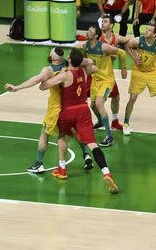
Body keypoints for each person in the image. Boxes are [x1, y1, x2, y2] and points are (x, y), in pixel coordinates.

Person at [39, 48, 119, 194]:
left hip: (68, 112)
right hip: (83, 111)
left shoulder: (65, 75)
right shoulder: (84, 71)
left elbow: (43, 86)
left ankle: (62, 168)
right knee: (93, 144)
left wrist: (51, 76)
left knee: (62, 135)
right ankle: (106, 172)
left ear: (69, 60)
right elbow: (93, 64)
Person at [4, 48, 94, 174]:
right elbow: (89, 62)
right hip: (71, 105)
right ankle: (86, 154)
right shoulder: (70, 65)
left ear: (51, 57)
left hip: (56, 108)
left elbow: (35, 80)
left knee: (45, 133)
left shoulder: (49, 70)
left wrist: (17, 87)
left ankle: (39, 163)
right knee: (75, 130)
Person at [76, 26, 127, 147]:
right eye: (88, 30)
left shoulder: (103, 47)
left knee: (99, 104)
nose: (87, 32)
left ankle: (109, 136)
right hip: (95, 80)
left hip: (107, 80)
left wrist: (124, 68)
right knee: (93, 105)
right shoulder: (86, 45)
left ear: (96, 36)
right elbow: (78, 50)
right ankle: (100, 121)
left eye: (90, 32)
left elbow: (122, 52)